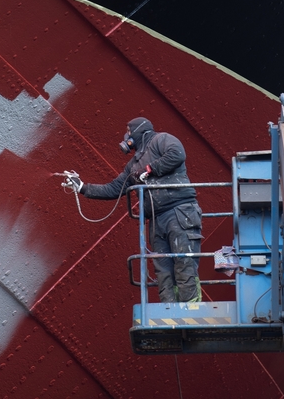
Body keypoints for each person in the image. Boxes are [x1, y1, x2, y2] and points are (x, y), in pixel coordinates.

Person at [63, 117, 202, 303]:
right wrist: (82, 187)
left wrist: (150, 169)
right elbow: (113, 188)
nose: (126, 136)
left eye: (129, 131)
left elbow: (177, 154)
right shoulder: (133, 165)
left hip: (179, 212)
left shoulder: (161, 140)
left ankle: (191, 311)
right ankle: (170, 312)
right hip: (156, 221)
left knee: (184, 264)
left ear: (140, 131)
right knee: (164, 272)